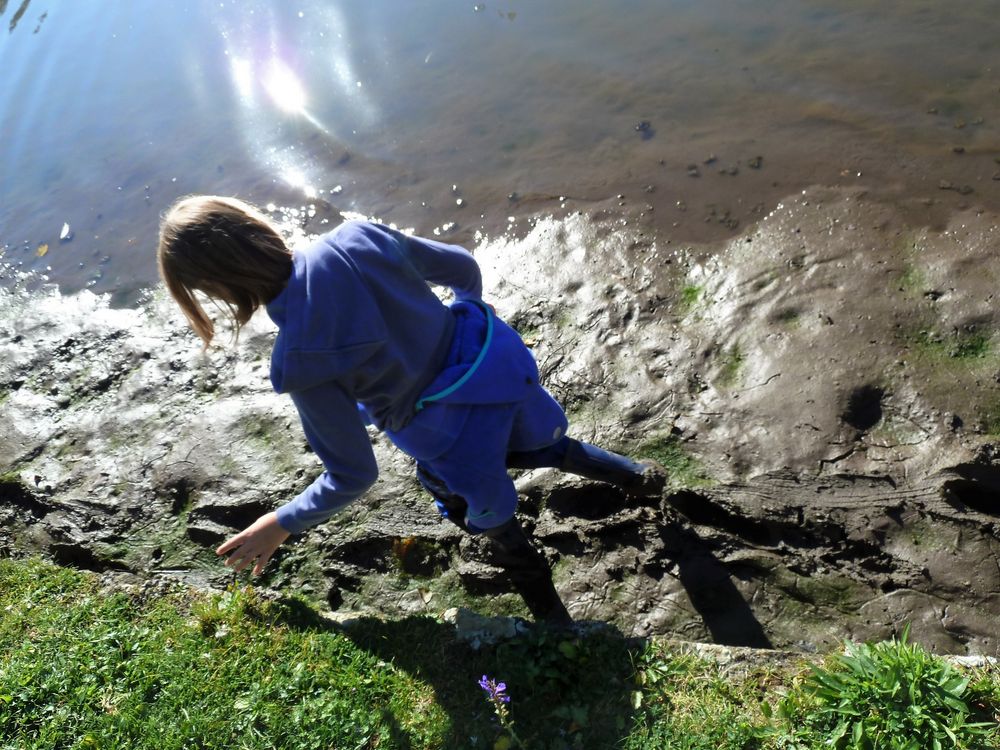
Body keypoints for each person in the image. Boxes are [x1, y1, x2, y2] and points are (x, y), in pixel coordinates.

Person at [157, 195, 666, 623]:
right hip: (499, 375)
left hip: (448, 441)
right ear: (254, 222)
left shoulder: (298, 363)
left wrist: (283, 521)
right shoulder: (356, 238)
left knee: (496, 525)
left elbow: (353, 475)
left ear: (217, 291)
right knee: (553, 448)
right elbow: (462, 269)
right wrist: (469, 320)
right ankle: (639, 476)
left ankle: (557, 629)